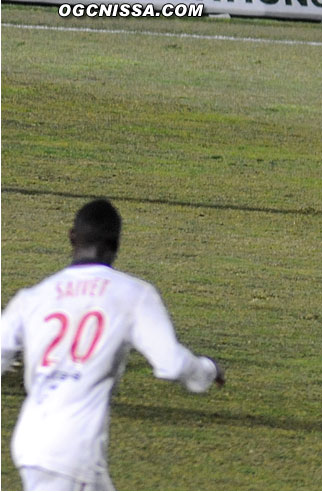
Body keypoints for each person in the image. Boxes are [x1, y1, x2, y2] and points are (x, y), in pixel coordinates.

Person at [1, 198, 225, 490]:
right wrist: (207, 369)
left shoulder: (32, 298)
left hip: (30, 440)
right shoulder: (133, 294)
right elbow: (171, 363)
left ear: (71, 237)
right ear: (117, 243)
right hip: (74, 449)